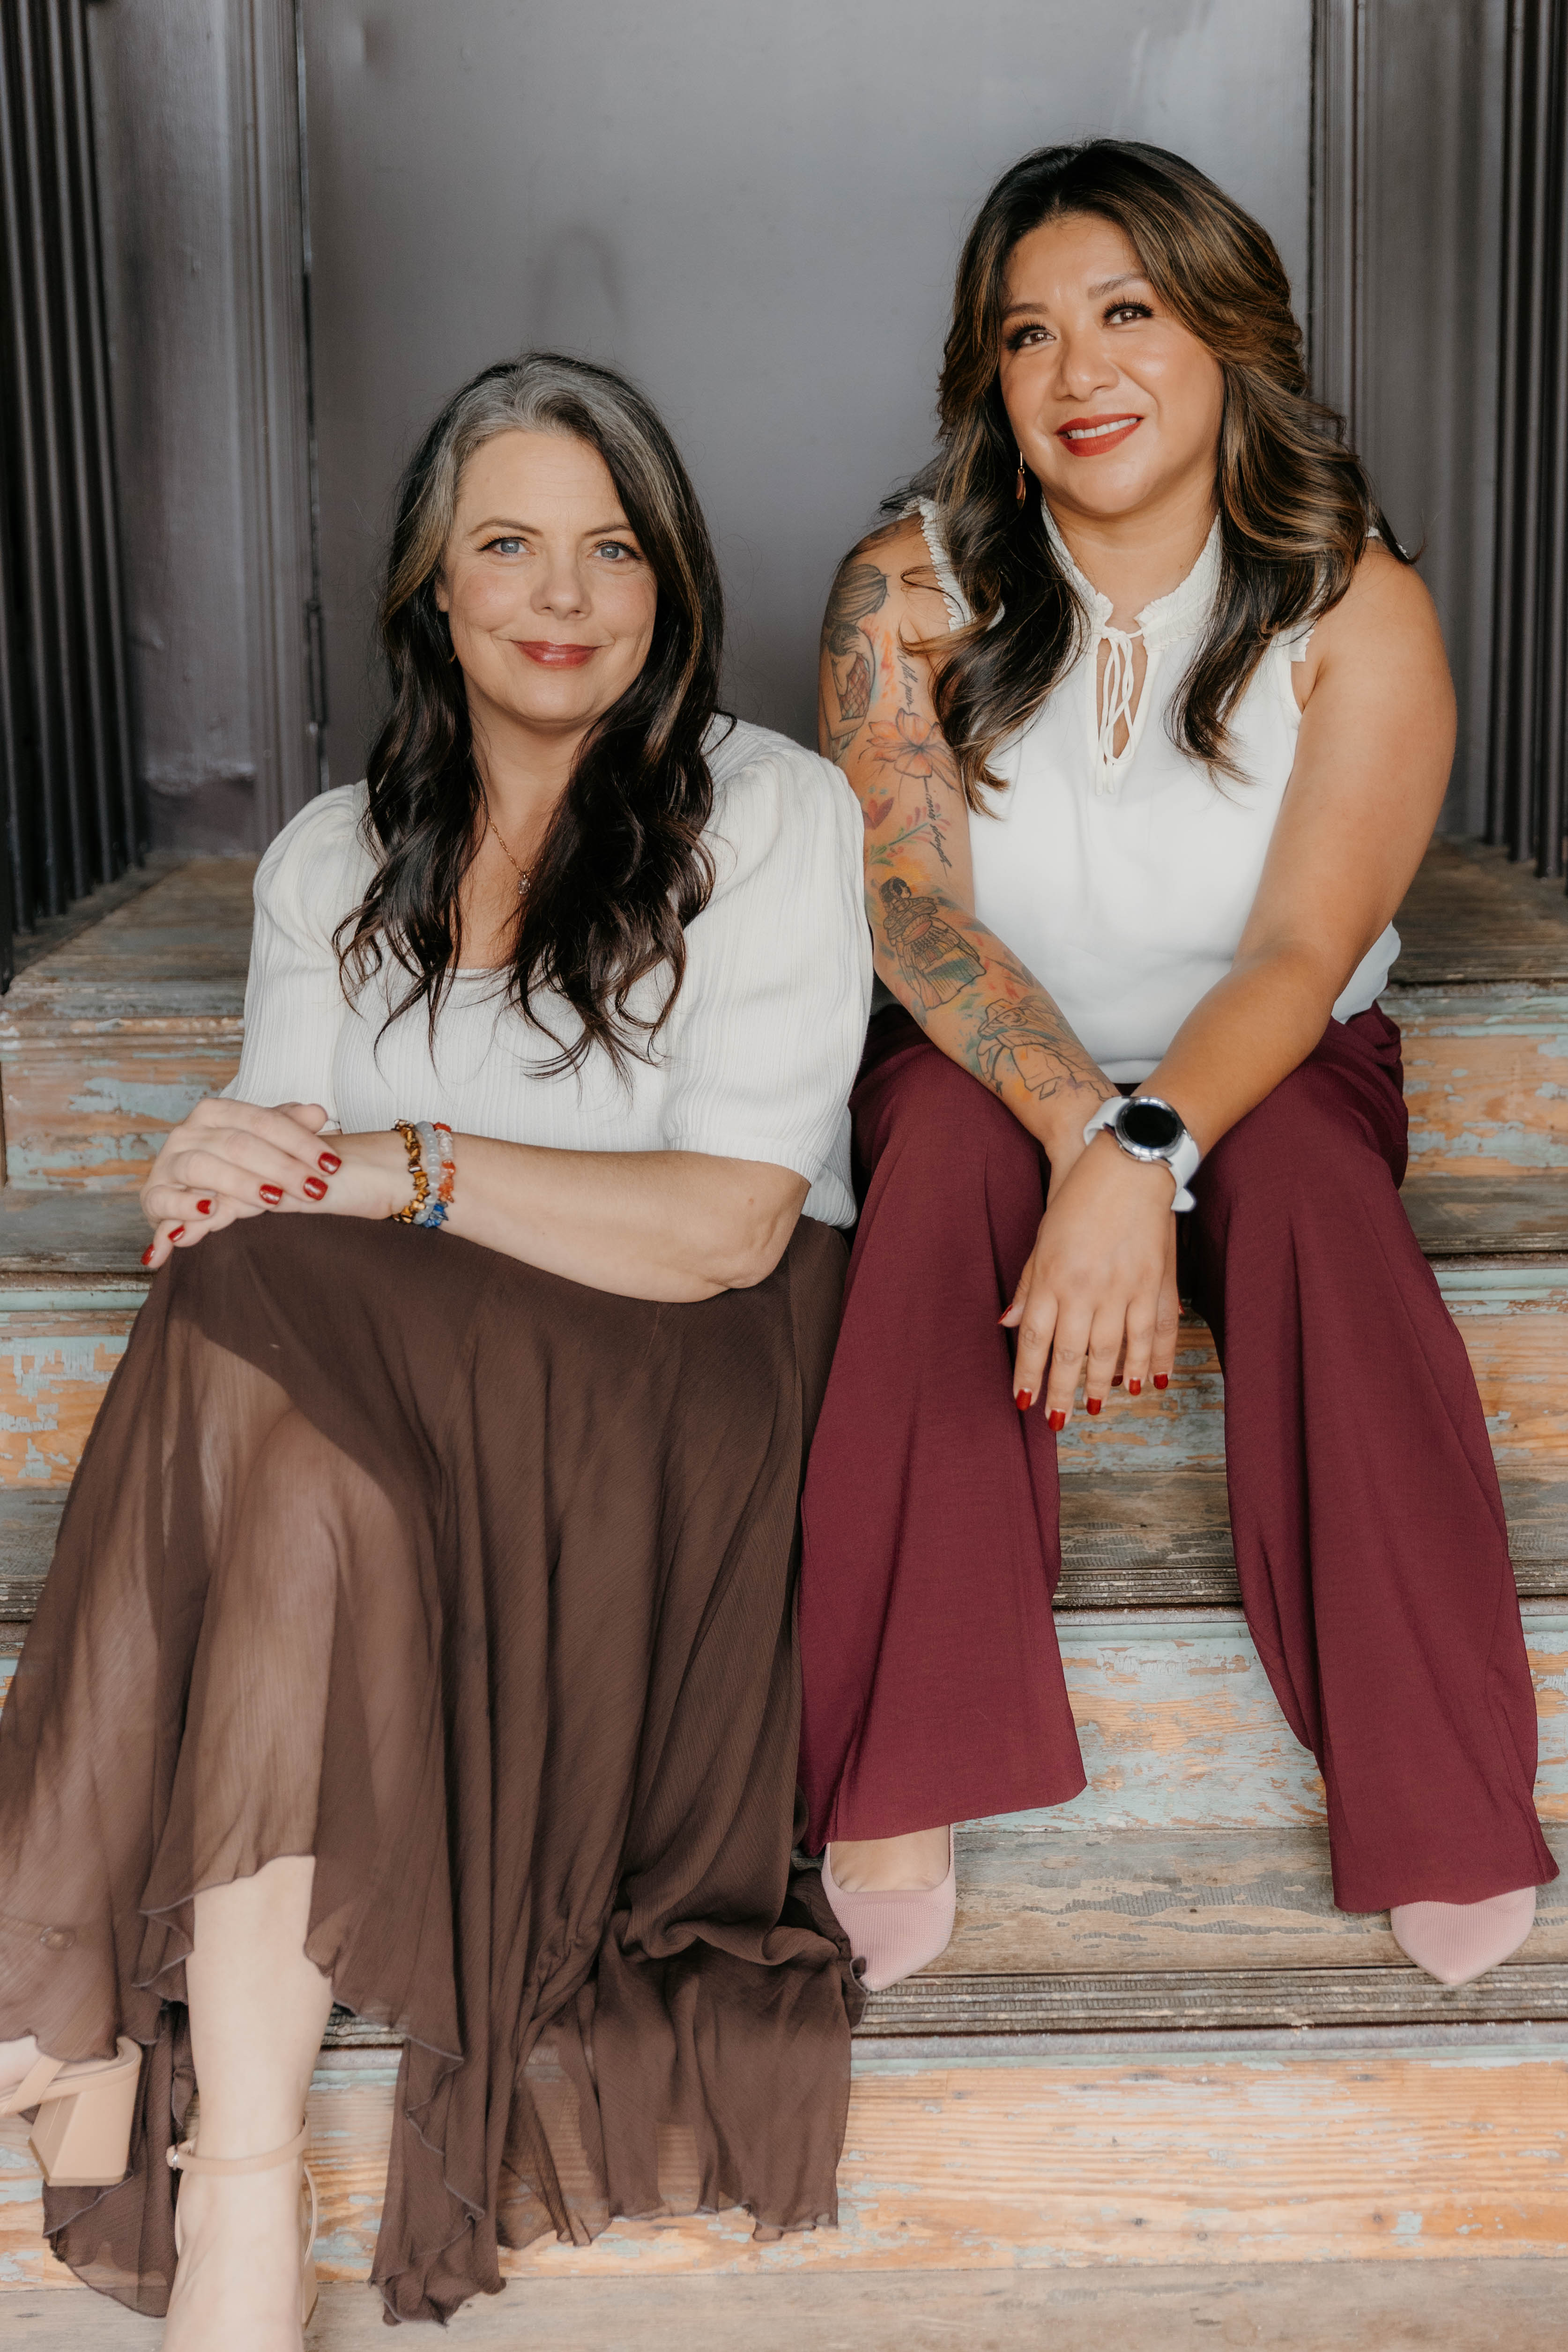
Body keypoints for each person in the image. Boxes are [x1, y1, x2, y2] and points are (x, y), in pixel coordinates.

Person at [0, 351, 870, 2339]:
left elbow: (731, 1225)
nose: (562, 594)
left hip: (674, 1391)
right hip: (405, 1419)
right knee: (275, 1416)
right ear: (431, 586)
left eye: (612, 548)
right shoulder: (333, 853)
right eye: (507, 546)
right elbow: (271, 1211)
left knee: (262, 1305)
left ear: (670, 582)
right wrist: (211, 1165)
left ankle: (53, 1992)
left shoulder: (765, 809)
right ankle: (241, 2196)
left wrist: (399, 1169)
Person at [800, 140, 1556, 1996]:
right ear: (989, 375)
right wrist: (1086, 1134)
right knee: (938, 1174)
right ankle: (897, 1767)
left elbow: (1299, 950)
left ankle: (1437, 1782)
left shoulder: (1354, 603)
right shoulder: (904, 592)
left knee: (1310, 1196)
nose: (1079, 372)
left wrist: (1145, 1147)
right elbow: (909, 909)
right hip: (990, 1062)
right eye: (1028, 334)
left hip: (1280, 1056)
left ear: (1227, 332)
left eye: (1127, 312)